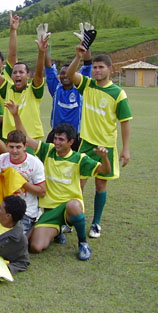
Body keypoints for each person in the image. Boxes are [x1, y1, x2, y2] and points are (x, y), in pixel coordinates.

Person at [5, 100, 111, 260]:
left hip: (69, 207)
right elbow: (25, 138)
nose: (57, 142)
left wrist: (104, 158)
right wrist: (15, 115)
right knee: (35, 247)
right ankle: (58, 230)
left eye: (61, 140)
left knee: (74, 205)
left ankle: (83, 243)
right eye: (55, 138)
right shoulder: (48, 151)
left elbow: (105, 171)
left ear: (71, 142)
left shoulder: (80, 158)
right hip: (49, 210)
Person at [66, 45, 132, 238]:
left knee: (101, 186)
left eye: (101, 67)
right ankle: (72, 219)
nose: (97, 70)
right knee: (79, 184)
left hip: (106, 146)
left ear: (110, 70)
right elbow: (70, 74)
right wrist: (78, 57)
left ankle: (96, 223)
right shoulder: (87, 85)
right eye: (95, 67)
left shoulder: (118, 93)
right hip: (86, 144)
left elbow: (125, 123)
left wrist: (126, 149)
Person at [0, 19, 48, 141]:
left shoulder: (34, 90)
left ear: (28, 75)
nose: (17, 75)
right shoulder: (7, 88)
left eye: (21, 72)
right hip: (9, 138)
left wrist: (41, 52)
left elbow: (39, 73)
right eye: (15, 72)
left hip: (29, 139)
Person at [0, 130, 46, 234]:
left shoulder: (34, 163)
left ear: (25, 146)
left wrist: (21, 182)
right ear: (7, 146)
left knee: (15, 239)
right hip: (5, 210)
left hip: (26, 212)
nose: (14, 151)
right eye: (11, 147)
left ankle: (34, 227)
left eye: (18, 147)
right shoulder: (1, 160)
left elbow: (42, 192)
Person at [45, 40, 92, 151]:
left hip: (75, 136)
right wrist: (44, 50)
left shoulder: (81, 89)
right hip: (56, 135)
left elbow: (88, 65)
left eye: (68, 72)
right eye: (62, 73)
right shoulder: (56, 88)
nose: (65, 75)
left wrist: (87, 44)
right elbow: (48, 67)